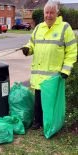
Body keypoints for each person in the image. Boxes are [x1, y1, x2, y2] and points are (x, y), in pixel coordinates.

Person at [22, 0, 77, 130]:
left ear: (57, 13)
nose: (49, 15)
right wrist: (27, 49)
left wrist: (66, 70)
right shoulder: (38, 27)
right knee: (38, 100)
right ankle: (37, 122)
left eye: (52, 12)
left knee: (50, 103)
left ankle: (50, 124)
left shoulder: (64, 28)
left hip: (53, 75)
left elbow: (72, 51)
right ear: (44, 13)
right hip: (39, 74)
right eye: (47, 12)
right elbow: (32, 44)